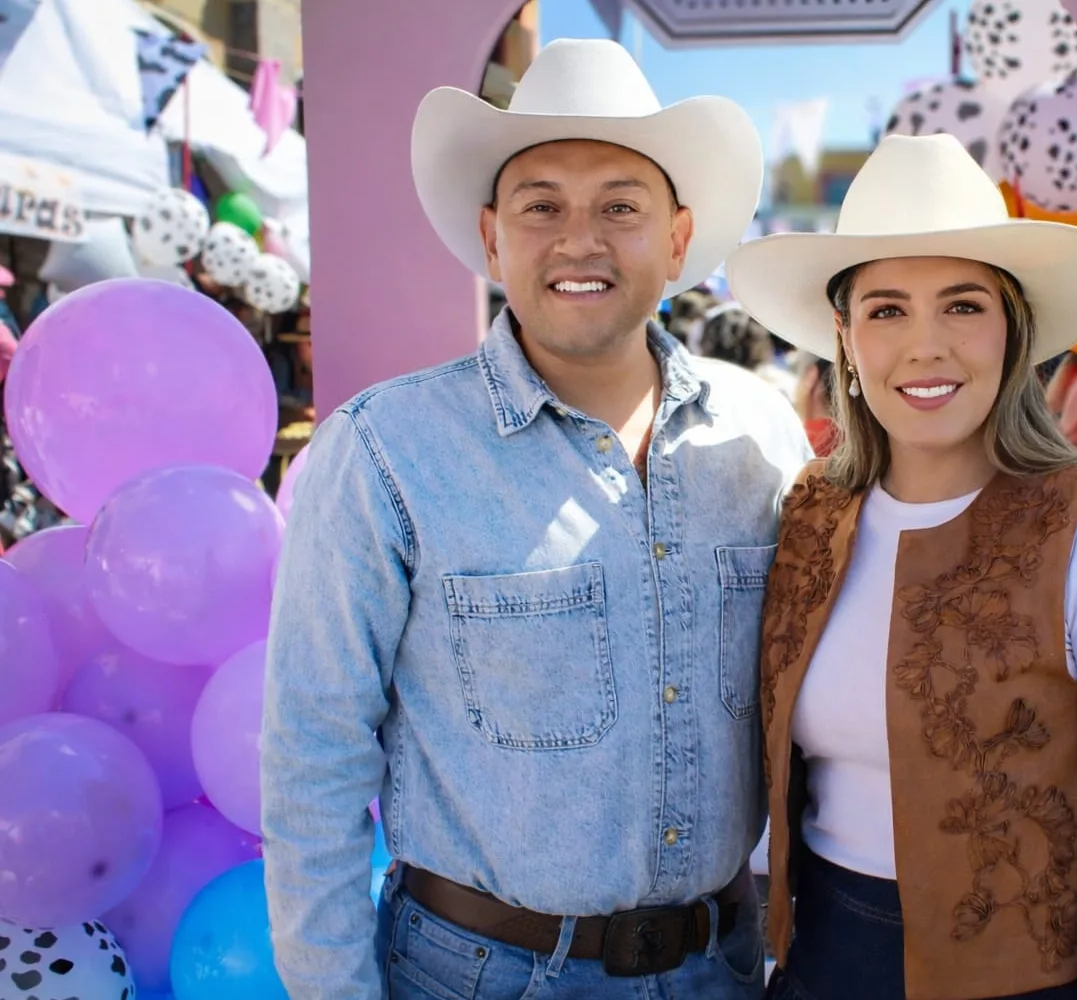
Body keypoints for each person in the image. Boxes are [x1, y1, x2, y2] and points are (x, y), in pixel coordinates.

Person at [262, 38, 812, 1000]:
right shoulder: (386, 451)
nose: (579, 240)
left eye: (621, 208)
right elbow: (315, 758)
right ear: (492, 238)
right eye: (542, 206)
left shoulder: (759, 438)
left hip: (721, 968)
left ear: (677, 239)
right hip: (481, 976)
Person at [724, 133, 1077, 1000]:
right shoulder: (809, 516)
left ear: (1012, 332)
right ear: (845, 339)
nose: (927, 346)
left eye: (964, 305)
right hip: (818, 966)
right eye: (888, 310)